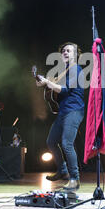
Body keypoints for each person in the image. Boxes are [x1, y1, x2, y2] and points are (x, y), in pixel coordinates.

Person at [36, 42, 85, 191]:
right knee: (51, 142)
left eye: (69, 51)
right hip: (63, 112)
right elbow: (54, 89)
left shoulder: (76, 68)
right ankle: (62, 170)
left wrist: (48, 83)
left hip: (74, 111)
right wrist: (44, 83)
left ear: (75, 55)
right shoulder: (65, 70)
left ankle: (74, 179)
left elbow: (65, 89)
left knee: (66, 144)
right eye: (63, 50)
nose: (65, 52)